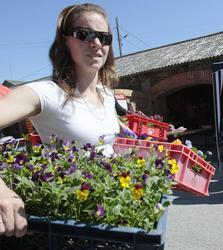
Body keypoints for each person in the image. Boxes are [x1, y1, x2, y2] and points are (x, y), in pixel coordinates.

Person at [0, 3, 129, 237]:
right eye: (85, 34)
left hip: (111, 215)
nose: (97, 43)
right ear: (65, 40)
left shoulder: (107, 94)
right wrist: (2, 192)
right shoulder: (46, 93)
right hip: (71, 223)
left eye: (104, 37)